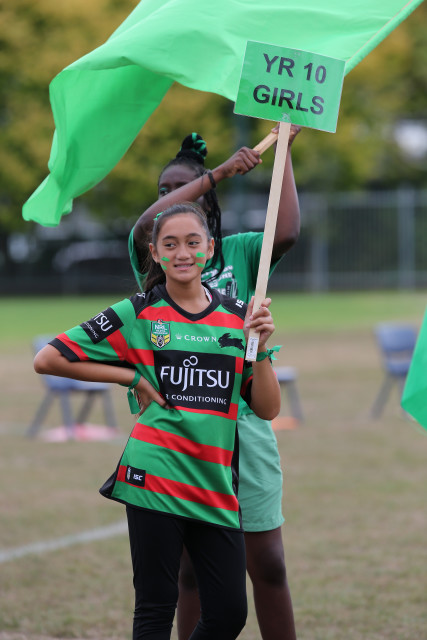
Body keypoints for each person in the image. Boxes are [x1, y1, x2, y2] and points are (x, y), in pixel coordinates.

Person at [34, 202, 281, 640]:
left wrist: (259, 348)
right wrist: (131, 376)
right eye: (170, 244)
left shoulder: (238, 316)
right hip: (154, 477)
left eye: (192, 242)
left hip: (214, 483)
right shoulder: (138, 311)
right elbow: (49, 358)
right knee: (155, 609)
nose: (182, 253)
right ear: (154, 252)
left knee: (229, 614)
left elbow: (267, 408)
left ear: (210, 249)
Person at [129, 128, 300, 640]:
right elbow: (145, 225)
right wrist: (218, 173)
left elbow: (286, 232)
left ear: (209, 206)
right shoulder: (156, 258)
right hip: (183, 430)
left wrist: (284, 148)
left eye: (182, 187)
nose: (171, 197)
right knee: (190, 572)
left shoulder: (239, 251)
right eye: (164, 190)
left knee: (269, 562)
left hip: (243, 422)